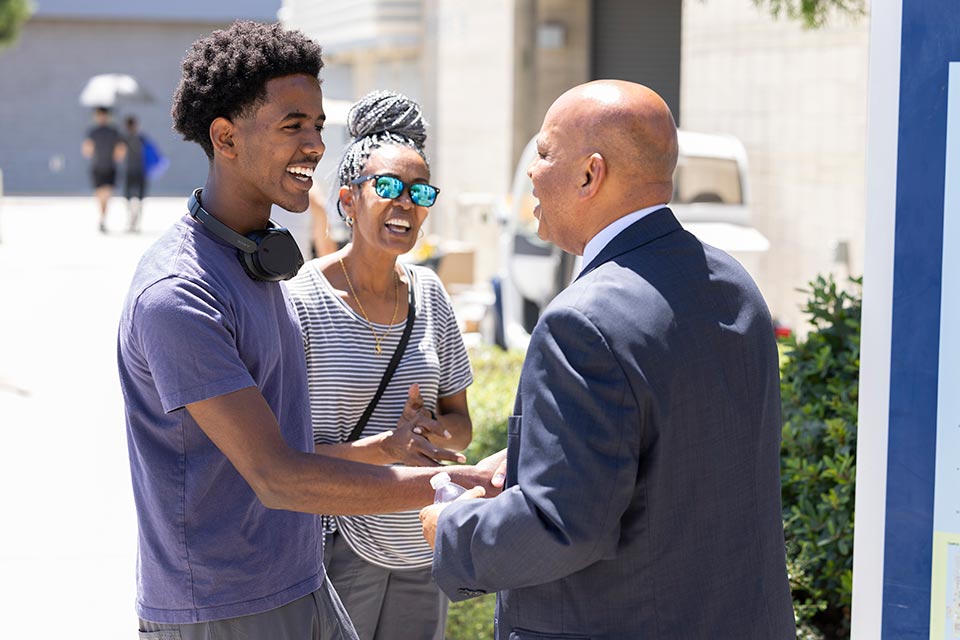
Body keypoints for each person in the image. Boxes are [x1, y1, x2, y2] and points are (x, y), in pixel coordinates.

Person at [117, 21, 498, 640]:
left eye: (319, 125)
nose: (315, 145)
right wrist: (456, 483)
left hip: (299, 582)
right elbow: (277, 475)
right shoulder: (179, 294)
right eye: (293, 125)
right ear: (226, 137)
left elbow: (291, 445)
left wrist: (396, 448)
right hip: (223, 607)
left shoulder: (258, 262)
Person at [420, 80, 796, 639]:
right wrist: (539, 456)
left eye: (544, 154)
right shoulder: (734, 283)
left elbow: (562, 526)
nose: (531, 173)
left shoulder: (584, 321)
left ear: (590, 174)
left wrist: (451, 524)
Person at [286, 90, 472, 640]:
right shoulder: (300, 302)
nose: (405, 204)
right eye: (387, 187)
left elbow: (460, 417)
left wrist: (433, 434)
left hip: (420, 537)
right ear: (348, 200)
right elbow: (278, 460)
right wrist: (385, 450)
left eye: (420, 192)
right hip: (338, 541)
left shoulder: (431, 293)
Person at [81, 106, 125, 232]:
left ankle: (102, 217)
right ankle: (103, 217)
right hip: (108, 166)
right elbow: (120, 151)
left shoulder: (93, 131)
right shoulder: (114, 131)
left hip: (99, 165)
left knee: (101, 193)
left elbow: (87, 151)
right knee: (105, 194)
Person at [122, 115, 146, 233]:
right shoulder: (142, 138)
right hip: (141, 171)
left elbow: (119, 157)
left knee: (128, 197)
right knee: (140, 198)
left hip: (128, 171)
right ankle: (136, 221)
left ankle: (131, 220)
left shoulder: (123, 139)